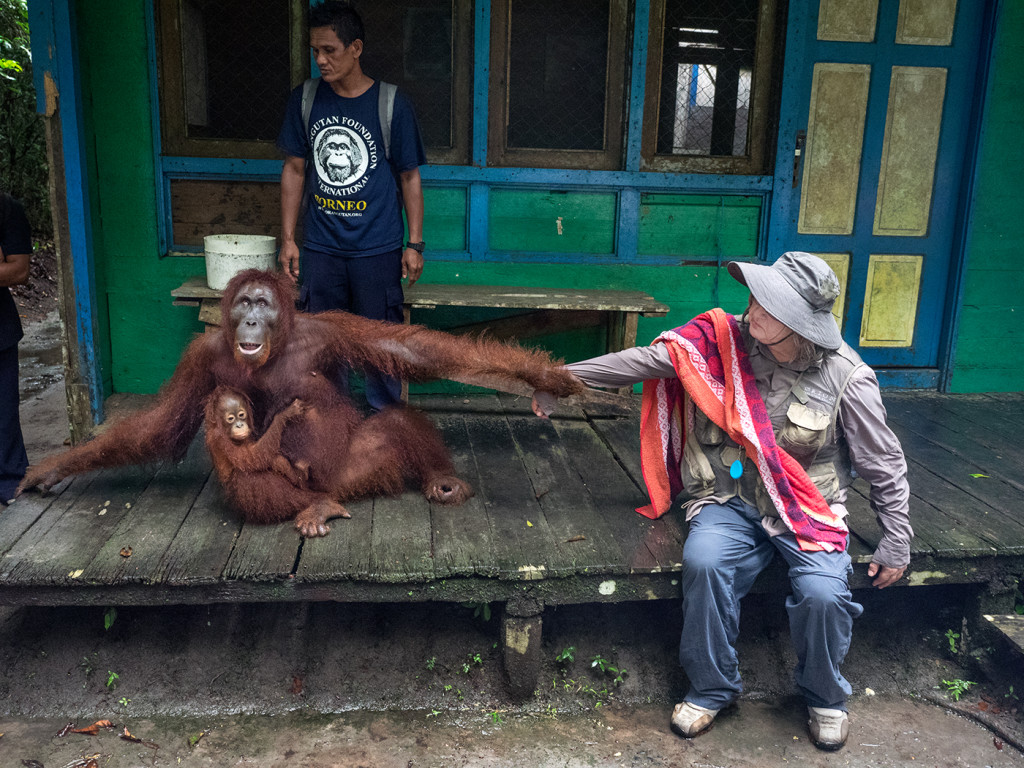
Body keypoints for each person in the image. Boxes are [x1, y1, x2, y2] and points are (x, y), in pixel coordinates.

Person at [532, 252, 911, 751]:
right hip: (726, 499)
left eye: (768, 307)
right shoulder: (719, 342)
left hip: (805, 512)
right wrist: (560, 380)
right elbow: (644, 360)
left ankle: (825, 696)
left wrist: (897, 539)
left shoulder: (847, 376)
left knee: (823, 594)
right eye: (756, 297)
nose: (752, 310)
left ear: (798, 324)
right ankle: (711, 688)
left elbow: (884, 462)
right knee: (704, 562)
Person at [277, 0, 427, 410]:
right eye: (315, 52)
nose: (321, 60)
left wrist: (415, 244)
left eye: (330, 50)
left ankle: (384, 429)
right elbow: (294, 169)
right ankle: (329, 423)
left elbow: (409, 176)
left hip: (376, 250)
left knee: (381, 345)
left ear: (356, 47)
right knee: (320, 346)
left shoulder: (391, 103)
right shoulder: (305, 99)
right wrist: (289, 239)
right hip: (322, 250)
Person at [0, 191, 32, 505]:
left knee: (4, 409)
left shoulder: (6, 208)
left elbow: (19, 270)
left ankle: (9, 481)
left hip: (0, 330)